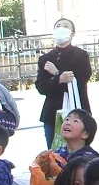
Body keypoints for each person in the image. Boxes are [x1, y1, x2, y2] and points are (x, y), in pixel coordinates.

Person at [35, 18, 93, 149]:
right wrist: (59, 79)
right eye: (58, 26)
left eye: (66, 26)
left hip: (77, 109)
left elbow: (81, 79)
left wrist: (56, 73)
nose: (61, 28)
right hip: (52, 114)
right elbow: (41, 86)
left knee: (79, 151)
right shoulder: (45, 59)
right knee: (54, 153)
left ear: (72, 33)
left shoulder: (81, 55)